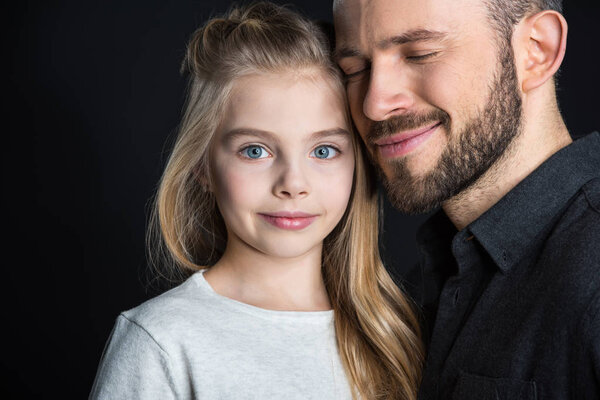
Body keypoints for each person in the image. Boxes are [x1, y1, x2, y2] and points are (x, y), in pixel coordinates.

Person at [90, 2, 423, 399]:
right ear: (203, 165)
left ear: (357, 162)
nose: (293, 184)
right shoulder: (162, 343)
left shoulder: (392, 334)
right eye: (255, 151)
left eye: (323, 151)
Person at [333, 0, 599, 399]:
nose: (374, 103)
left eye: (420, 54)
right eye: (355, 70)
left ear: (536, 51)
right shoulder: (415, 290)